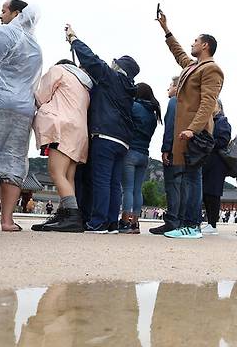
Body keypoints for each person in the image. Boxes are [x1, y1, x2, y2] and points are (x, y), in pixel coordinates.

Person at [65, 24, 140, 234]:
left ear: (119, 68)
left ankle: (97, 222)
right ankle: (111, 222)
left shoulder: (112, 78)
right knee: (114, 184)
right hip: (122, 141)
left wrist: (74, 39)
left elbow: (91, 59)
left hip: (105, 136)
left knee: (100, 180)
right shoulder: (129, 89)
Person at [156, 9, 224, 240]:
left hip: (195, 133)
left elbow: (208, 104)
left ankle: (192, 226)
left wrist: (192, 129)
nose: (191, 44)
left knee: (192, 178)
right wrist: (166, 29)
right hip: (186, 132)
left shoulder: (211, 69)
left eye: (195, 41)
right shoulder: (193, 66)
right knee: (186, 178)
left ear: (205, 45)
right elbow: (179, 53)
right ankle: (186, 224)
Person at [0, 0, 43, 232]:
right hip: (23, 108)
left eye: (4, 10)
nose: (0, 15)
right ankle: (7, 221)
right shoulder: (36, 46)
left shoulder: (5, 33)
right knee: (14, 161)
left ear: (17, 14)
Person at [30, 59, 93, 232]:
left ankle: (72, 215)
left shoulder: (58, 70)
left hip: (61, 128)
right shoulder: (84, 86)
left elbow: (41, 96)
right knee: (68, 176)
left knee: (56, 172)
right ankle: (65, 213)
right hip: (80, 133)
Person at [119, 82, 161, 234]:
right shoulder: (153, 113)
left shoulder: (134, 106)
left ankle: (124, 221)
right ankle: (135, 223)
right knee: (137, 190)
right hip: (145, 154)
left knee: (127, 189)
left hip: (130, 152)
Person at [150, 77, 181, 234]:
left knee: (172, 186)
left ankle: (172, 221)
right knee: (182, 186)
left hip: (175, 149)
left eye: (170, 85)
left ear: (177, 86)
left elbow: (170, 126)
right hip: (187, 151)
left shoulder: (174, 101)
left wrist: (166, 148)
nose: (168, 88)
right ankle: (181, 220)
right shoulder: (189, 103)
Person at [201, 100, 231, 235]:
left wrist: (208, 142)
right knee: (207, 193)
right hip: (208, 161)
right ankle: (209, 222)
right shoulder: (211, 120)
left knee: (213, 193)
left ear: (218, 107)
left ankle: (212, 223)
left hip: (217, 162)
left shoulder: (222, 121)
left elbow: (224, 140)